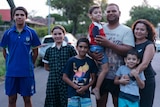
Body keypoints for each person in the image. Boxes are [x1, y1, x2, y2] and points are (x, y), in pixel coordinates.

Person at [89, 3, 135, 107]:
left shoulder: (126, 30)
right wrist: (93, 55)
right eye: (108, 11)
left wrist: (108, 44)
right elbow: (88, 45)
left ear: (119, 13)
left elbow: (128, 51)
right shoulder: (99, 27)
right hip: (100, 75)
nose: (111, 13)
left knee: (118, 104)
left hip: (119, 76)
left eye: (114, 11)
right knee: (100, 104)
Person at [0, 6, 41, 107]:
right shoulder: (8, 33)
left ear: (26, 17)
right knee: (11, 99)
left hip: (26, 73)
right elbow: (4, 52)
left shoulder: (32, 33)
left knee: (27, 99)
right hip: (11, 73)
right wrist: (11, 62)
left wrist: (29, 64)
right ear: (13, 17)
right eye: (17, 15)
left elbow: (35, 53)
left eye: (22, 15)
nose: (19, 17)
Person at [43, 25, 77, 107]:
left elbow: (76, 64)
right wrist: (55, 71)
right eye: (55, 34)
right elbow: (46, 66)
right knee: (52, 101)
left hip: (67, 81)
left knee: (66, 101)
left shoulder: (70, 48)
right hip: (53, 80)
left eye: (59, 34)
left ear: (63, 34)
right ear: (52, 35)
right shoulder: (49, 50)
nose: (57, 36)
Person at [62, 37, 98, 107]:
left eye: (85, 47)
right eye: (80, 47)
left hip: (85, 94)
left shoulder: (90, 61)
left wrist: (86, 87)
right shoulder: (71, 61)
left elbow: (93, 79)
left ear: (88, 49)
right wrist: (75, 86)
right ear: (76, 47)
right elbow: (64, 77)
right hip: (72, 94)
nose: (82, 49)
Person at [131, 19, 156, 107]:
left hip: (146, 79)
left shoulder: (149, 44)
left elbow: (145, 64)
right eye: (137, 29)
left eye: (142, 30)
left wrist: (131, 75)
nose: (139, 31)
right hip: (131, 82)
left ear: (147, 32)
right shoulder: (131, 43)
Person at [88, 5, 109, 100]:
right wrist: (108, 43)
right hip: (97, 48)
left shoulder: (98, 24)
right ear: (90, 15)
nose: (99, 14)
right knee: (105, 69)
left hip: (96, 47)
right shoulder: (95, 26)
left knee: (100, 68)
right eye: (96, 13)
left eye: (100, 12)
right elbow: (98, 38)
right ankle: (96, 88)